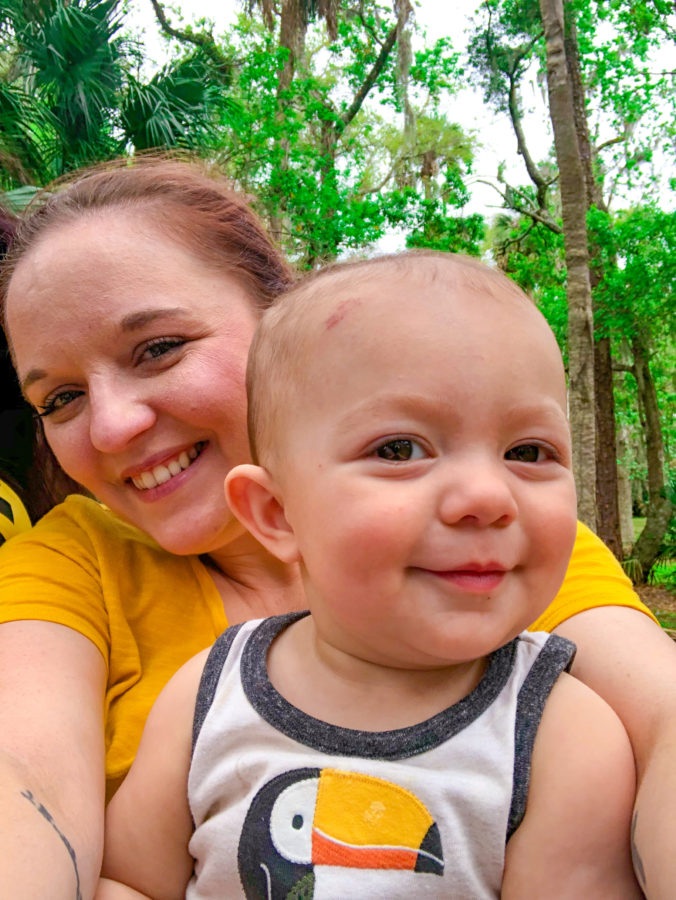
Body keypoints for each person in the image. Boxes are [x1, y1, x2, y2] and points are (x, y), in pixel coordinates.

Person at [0, 156, 671, 900]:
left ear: (284, 322)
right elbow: (25, 783)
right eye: (60, 398)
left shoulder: (493, 552)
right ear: (274, 512)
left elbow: (666, 722)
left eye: (159, 348)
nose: (115, 425)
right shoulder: (75, 569)